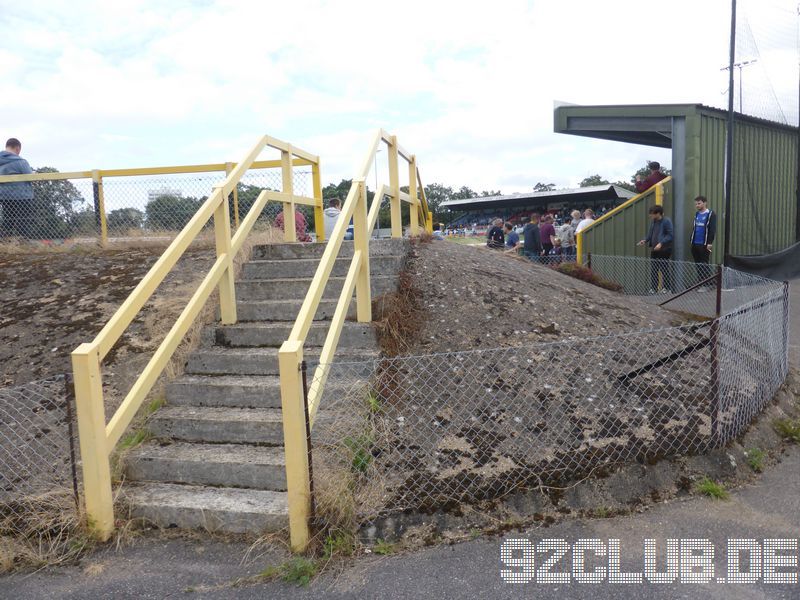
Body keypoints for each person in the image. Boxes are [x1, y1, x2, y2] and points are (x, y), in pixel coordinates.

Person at [0, 138, 34, 237]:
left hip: (5, 197)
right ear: (18, 148)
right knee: (23, 222)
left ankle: (4, 243)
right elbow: (31, 178)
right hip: (23, 197)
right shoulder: (21, 162)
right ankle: (23, 243)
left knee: (7, 222)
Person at [637, 205, 674, 293]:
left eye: (652, 214)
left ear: (658, 213)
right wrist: (645, 240)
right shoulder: (653, 222)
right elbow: (650, 234)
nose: (650, 216)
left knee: (664, 269)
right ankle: (653, 288)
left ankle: (667, 288)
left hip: (665, 249)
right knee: (654, 269)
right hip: (655, 249)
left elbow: (670, 235)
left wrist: (661, 243)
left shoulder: (666, 221)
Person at [690, 195, 717, 282]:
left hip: (704, 244)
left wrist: (709, 243)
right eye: (696, 204)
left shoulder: (710, 214)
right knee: (698, 264)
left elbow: (712, 229)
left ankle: (706, 283)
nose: (697, 205)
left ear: (705, 203)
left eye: (699, 203)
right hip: (695, 243)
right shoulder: (697, 214)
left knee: (704, 264)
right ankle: (700, 282)